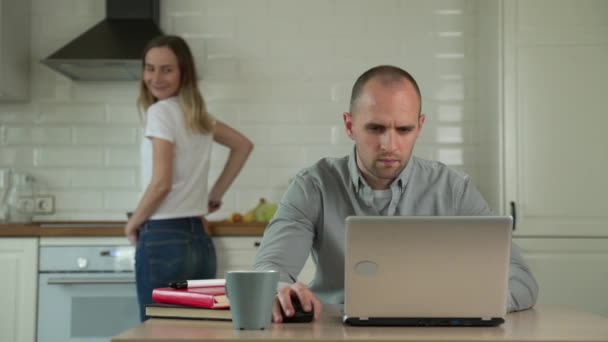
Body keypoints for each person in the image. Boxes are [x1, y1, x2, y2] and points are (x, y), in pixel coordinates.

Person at [253, 65, 539, 323]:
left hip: (435, 330)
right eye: (376, 128)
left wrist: (470, 303)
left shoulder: (453, 189)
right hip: (336, 330)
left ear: (420, 127)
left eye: (404, 129)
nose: (390, 144)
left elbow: (521, 280)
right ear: (350, 125)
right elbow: (268, 271)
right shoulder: (313, 185)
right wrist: (279, 291)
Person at [125, 35, 253, 321]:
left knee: (158, 333)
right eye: (150, 68)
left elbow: (161, 183)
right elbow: (243, 146)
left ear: (184, 73)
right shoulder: (196, 115)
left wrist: (133, 222)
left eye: (167, 69)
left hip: (162, 238)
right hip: (199, 240)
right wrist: (214, 195)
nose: (156, 77)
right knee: (196, 331)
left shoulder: (160, 113)